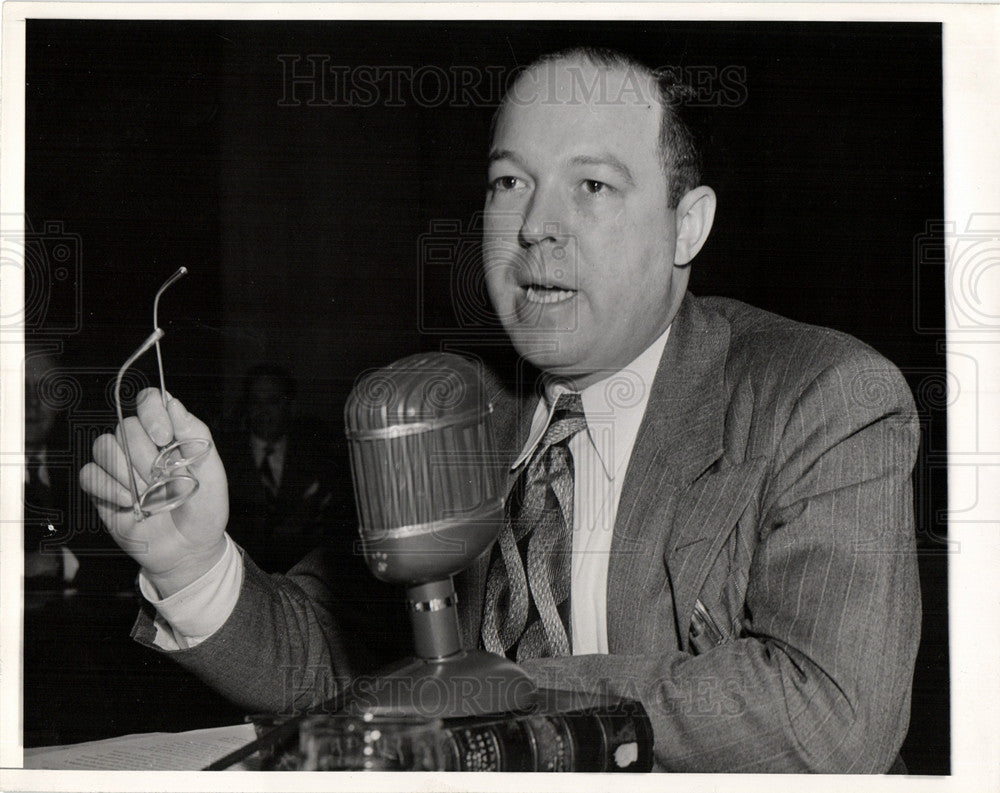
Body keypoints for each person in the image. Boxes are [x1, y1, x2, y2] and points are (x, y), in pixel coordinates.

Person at [80, 47, 921, 772]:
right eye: (510, 182)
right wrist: (193, 566)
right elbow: (336, 669)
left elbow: (832, 714)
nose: (535, 227)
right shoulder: (449, 408)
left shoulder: (822, 397)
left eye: (591, 184)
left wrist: (495, 693)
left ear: (686, 227)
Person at [215, 364, 340, 573]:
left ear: (290, 405)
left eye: (273, 401)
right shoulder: (224, 458)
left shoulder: (317, 455)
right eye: (256, 401)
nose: (263, 411)